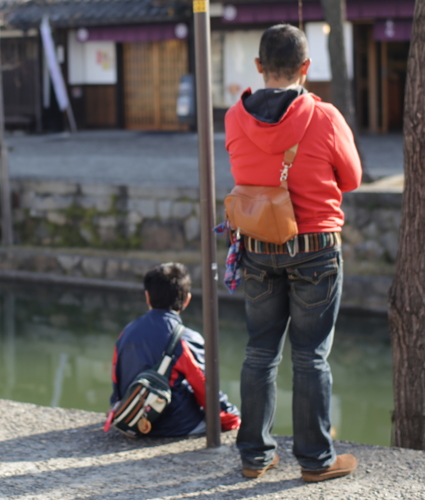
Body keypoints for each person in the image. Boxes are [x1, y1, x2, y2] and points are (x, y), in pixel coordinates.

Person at [225, 24, 362, 482]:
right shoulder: (324, 117)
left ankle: (254, 457)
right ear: (306, 68)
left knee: (260, 352)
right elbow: (353, 178)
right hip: (315, 248)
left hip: (259, 247)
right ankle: (316, 461)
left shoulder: (234, 117)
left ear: (259, 66)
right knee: (310, 356)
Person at [107, 262, 241, 437]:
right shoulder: (186, 339)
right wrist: (233, 418)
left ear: (147, 297)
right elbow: (205, 389)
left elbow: (117, 384)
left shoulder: (126, 333)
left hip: (131, 420)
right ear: (187, 300)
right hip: (175, 426)